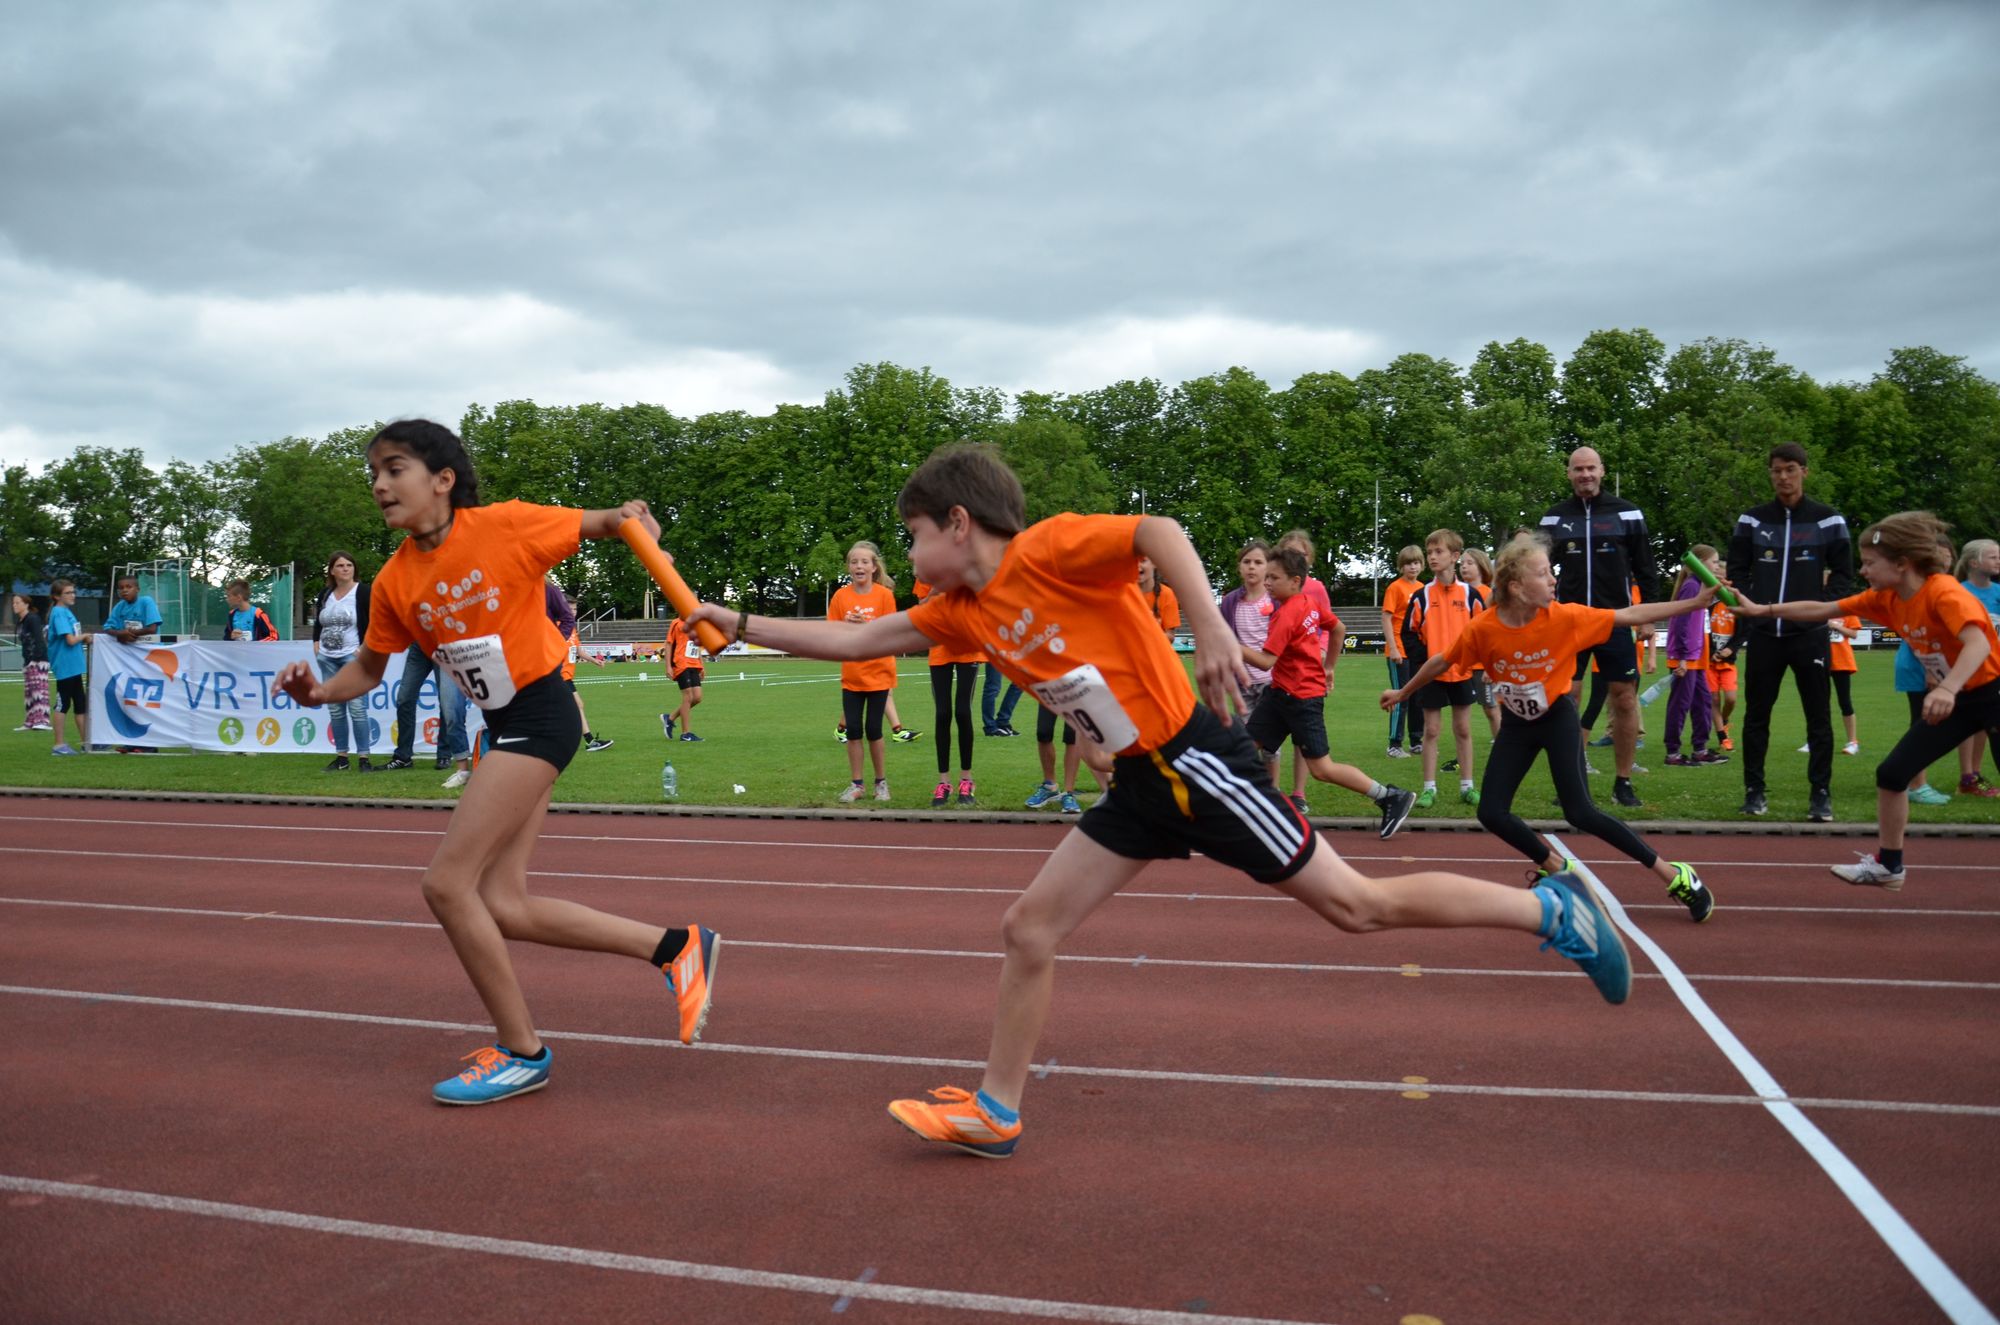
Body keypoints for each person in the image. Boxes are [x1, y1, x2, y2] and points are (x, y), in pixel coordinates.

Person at [690, 443, 1635, 1160]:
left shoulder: (1047, 550)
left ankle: (1551, 911)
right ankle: (996, 1108)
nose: (906, 550)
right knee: (1028, 927)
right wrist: (736, 621)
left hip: (1199, 764)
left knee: (1358, 906)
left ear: (958, 523)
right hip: (1142, 783)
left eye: (912, 533)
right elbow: (853, 641)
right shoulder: (960, 612)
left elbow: (1160, 533)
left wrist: (1212, 628)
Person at [272, 418, 719, 1105]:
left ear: (442, 479)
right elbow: (368, 666)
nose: (379, 484)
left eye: (394, 468)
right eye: (374, 473)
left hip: (543, 714)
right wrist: (320, 692)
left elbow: (607, 522)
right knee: (504, 905)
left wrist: (634, 519)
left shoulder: (505, 525)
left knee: (447, 884)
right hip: (505, 723)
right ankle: (675, 947)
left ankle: (522, 1051)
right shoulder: (393, 581)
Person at [1384, 531, 1717, 924]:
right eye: (1543, 574)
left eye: (1551, 571)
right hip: (1517, 726)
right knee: (1492, 812)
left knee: (1581, 812)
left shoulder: (1565, 617)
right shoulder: (1484, 628)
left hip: (1557, 717)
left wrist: (1693, 603)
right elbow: (1442, 660)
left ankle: (1673, 874)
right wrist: (1403, 692)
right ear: (1516, 586)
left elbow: (1629, 615)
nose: (1554, 580)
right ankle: (1557, 867)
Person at [1736, 511, 2000, 890]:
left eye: (1870, 563)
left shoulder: (1945, 592)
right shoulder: (1886, 599)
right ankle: (1889, 867)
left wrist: (1946, 688)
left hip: (1991, 694)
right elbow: (1823, 610)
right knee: (1892, 775)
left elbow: (1977, 644)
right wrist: (1764, 610)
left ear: (1902, 563)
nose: (1862, 571)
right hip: (1960, 700)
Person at [1242, 547, 1417, 839]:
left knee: (1322, 769)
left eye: (1273, 577)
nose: (1266, 581)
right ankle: (1243, 809)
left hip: (1301, 699)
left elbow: (1266, 661)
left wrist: (1229, 646)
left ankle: (1389, 797)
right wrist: (1330, 667)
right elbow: (1338, 628)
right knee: (1245, 746)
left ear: (1295, 581)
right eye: (1266, 576)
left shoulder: (1287, 613)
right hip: (1281, 692)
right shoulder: (1308, 602)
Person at [1723, 442, 1852, 821]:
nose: (1783, 477)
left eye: (1790, 469)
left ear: (1804, 472)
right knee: (1756, 717)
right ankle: (1754, 792)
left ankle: (1820, 794)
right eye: (1777, 470)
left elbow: (1844, 575)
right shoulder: (1752, 520)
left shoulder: (1828, 520)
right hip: (1764, 635)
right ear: (1770, 473)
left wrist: (1817, 611)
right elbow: (1737, 570)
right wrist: (1753, 607)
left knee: (1819, 717)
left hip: (1809, 636)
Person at [1541, 447, 1660, 809]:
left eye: (1591, 468)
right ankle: (1571, 783)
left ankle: (1623, 782)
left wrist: (1648, 616)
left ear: (1602, 471)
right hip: (1570, 622)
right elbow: (1537, 567)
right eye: (1578, 469)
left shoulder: (1627, 513)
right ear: (1569, 473)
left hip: (1615, 619)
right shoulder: (1554, 517)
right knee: (1567, 700)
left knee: (1624, 699)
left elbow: (1646, 568)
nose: (1585, 475)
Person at [1400, 528, 1483, 809]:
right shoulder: (1421, 596)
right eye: (1430, 552)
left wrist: (1472, 659)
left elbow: (1483, 631)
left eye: (1439, 552)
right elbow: (1408, 633)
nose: (1433, 557)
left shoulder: (1470, 595)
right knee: (1432, 730)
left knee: (1463, 729)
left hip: (1462, 673)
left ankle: (1467, 787)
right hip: (1432, 675)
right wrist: (1426, 661)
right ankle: (1429, 789)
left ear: (1455, 556)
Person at [1272, 529, 1344, 810]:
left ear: (1309, 559)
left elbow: (1330, 626)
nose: (1296, 558)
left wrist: (1326, 658)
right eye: (1290, 553)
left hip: (1306, 670)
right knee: (1263, 735)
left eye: (1301, 554)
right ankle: (1268, 791)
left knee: (1303, 741)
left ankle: (1299, 793)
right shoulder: (1276, 584)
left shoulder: (1315, 589)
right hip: (1279, 665)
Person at [830, 540, 898, 802]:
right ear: (849, 567)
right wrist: (846, 626)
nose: (859, 566)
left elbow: (891, 633)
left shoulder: (884, 596)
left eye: (864, 562)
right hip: (852, 675)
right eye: (854, 562)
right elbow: (831, 634)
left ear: (873, 567)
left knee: (874, 729)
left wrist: (868, 625)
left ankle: (881, 783)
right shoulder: (840, 596)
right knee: (853, 730)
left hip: (879, 673)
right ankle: (857, 784)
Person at [915, 579, 980, 807]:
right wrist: (934, 592)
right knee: (942, 713)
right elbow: (921, 609)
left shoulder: (969, 568)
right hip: (939, 648)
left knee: (963, 712)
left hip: (967, 647)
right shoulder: (928, 572)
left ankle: (966, 779)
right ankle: (943, 782)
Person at [1662, 547, 1727, 767]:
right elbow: (1682, 622)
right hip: (1685, 657)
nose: (1717, 566)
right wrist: (1682, 657)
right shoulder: (1691, 586)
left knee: (1703, 702)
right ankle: (1673, 753)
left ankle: (1700, 749)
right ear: (1700, 562)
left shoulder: (1701, 585)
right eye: (1714, 562)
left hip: (1697, 656)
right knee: (1680, 704)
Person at [1953, 538, 2000, 796]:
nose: (1998, 561)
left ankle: (1975, 774)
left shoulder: (1998, 592)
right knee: (1968, 722)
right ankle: (1967, 776)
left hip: (1994, 667)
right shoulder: (1959, 592)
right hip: (1966, 667)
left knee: (1986, 723)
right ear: (1973, 562)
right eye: (1993, 557)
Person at [547, 582, 613, 753]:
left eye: (575, 609)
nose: (573, 612)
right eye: (570, 608)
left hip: (567, 675)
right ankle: (590, 741)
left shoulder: (571, 628)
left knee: (564, 708)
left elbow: (578, 651)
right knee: (577, 705)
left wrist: (595, 661)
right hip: (558, 675)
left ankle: (555, 740)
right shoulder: (555, 626)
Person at [1381, 546, 1425, 757]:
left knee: (1418, 697)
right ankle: (1394, 744)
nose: (1412, 567)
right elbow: (1386, 618)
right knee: (1401, 697)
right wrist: (1394, 648)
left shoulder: (1423, 588)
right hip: (1398, 651)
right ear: (1401, 566)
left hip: (1416, 651)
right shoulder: (1395, 588)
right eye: (1408, 563)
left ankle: (1416, 741)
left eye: (1416, 563)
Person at [1457, 548, 1502, 738]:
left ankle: (1502, 747)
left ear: (1482, 566)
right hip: (1463, 663)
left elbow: (1494, 632)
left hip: (1482, 665)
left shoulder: (1488, 594)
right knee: (1461, 710)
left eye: (1470, 563)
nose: (1464, 567)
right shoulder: (1458, 593)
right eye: (1462, 563)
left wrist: (1489, 666)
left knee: (1491, 709)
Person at [1802, 614, 1862, 757]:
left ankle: (1852, 742)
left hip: (1842, 662)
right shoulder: (1820, 611)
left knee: (1845, 702)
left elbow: (1853, 634)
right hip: (1820, 661)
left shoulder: (1849, 612)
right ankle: (1815, 740)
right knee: (1819, 703)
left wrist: (1834, 625)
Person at [45, 580, 88, 755]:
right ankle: (58, 745)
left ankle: (86, 742)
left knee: (80, 704)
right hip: (65, 666)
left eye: (73, 592)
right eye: (68, 593)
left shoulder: (66, 612)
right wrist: (85, 636)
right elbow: (70, 640)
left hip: (73, 666)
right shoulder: (59, 613)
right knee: (63, 704)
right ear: (57, 596)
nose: (73, 595)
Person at [661, 613, 706, 743]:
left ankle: (670, 718)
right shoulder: (676, 623)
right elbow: (669, 644)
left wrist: (702, 665)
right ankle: (686, 734)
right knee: (688, 697)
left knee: (697, 698)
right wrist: (668, 666)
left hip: (694, 664)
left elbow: (696, 645)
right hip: (681, 663)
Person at [13, 594, 51, 733]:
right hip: (28, 661)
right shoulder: (21, 621)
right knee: (29, 693)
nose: (14, 605)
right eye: (13, 603)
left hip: (38, 660)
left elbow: (39, 640)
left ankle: (42, 721)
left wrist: (35, 659)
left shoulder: (32, 619)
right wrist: (27, 662)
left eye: (17, 602)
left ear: (26, 604)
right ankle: (30, 721)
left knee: (39, 690)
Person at [1706, 593, 1739, 752]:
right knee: (1714, 699)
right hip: (1709, 662)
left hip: (1728, 661)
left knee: (1731, 699)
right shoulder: (1709, 603)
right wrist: (1712, 652)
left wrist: (1730, 649)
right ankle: (1723, 737)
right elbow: (1703, 630)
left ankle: (1724, 720)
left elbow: (1744, 631)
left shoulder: (1735, 602)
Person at [103, 574, 164, 645]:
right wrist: (119, 633)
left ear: (137, 589)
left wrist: (126, 634)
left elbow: (152, 629)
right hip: (129, 648)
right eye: (121, 588)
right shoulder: (119, 606)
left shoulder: (146, 602)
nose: (124, 590)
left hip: (150, 647)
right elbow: (107, 628)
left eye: (129, 587)